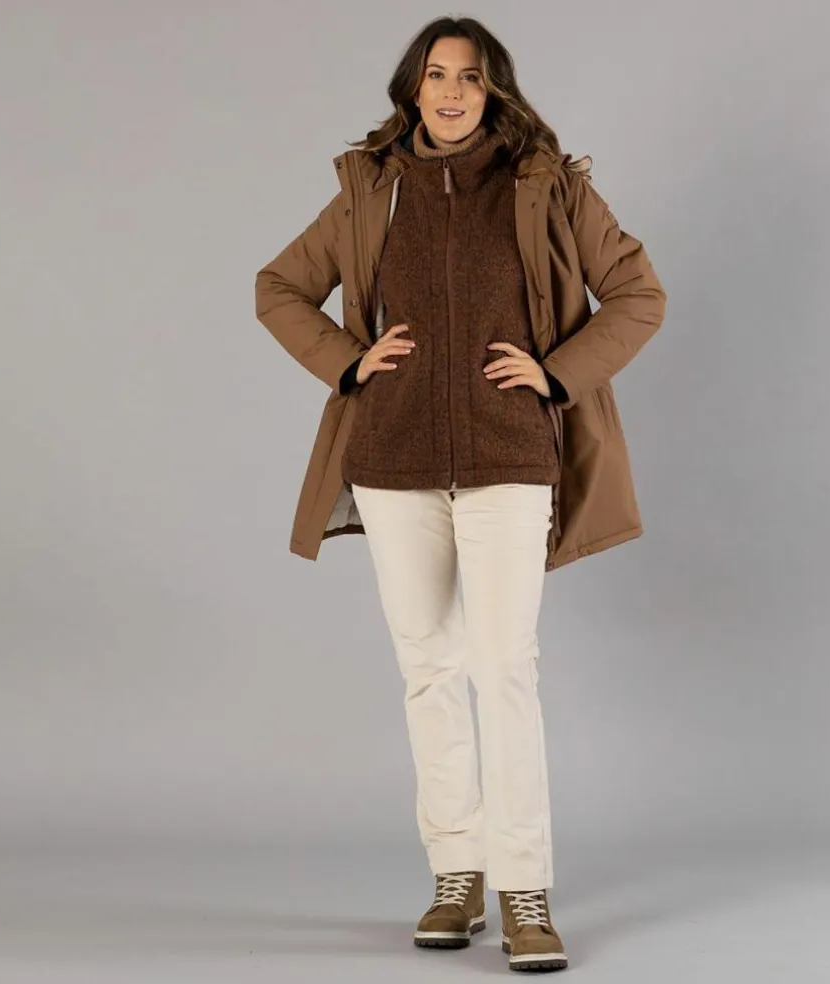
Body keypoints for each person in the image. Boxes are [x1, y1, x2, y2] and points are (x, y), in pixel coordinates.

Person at [254, 15, 666, 974]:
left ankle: (524, 887)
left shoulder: (547, 184)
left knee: (504, 667)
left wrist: (555, 375)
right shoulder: (372, 186)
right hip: (391, 458)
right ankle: (456, 874)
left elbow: (638, 292)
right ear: (413, 87)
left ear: (494, 90)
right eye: (435, 75)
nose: (450, 92)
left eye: (469, 78)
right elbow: (279, 287)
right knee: (429, 670)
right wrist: (352, 362)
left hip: (509, 454)